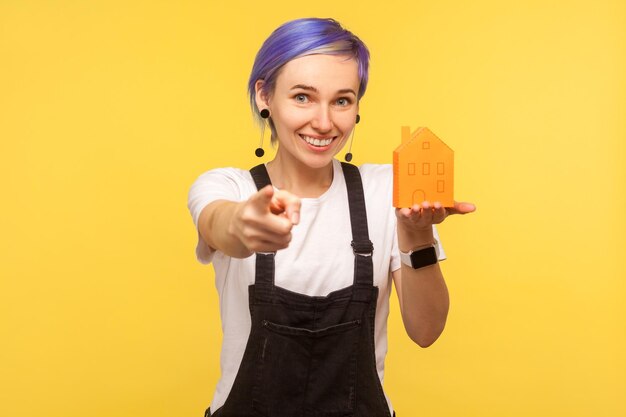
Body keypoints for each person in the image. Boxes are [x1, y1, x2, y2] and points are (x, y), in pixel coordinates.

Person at [187, 17, 475, 417]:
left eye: (342, 100)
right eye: (303, 97)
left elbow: (426, 332)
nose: (324, 123)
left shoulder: (385, 191)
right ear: (264, 96)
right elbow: (220, 223)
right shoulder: (228, 188)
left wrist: (416, 232)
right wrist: (245, 224)